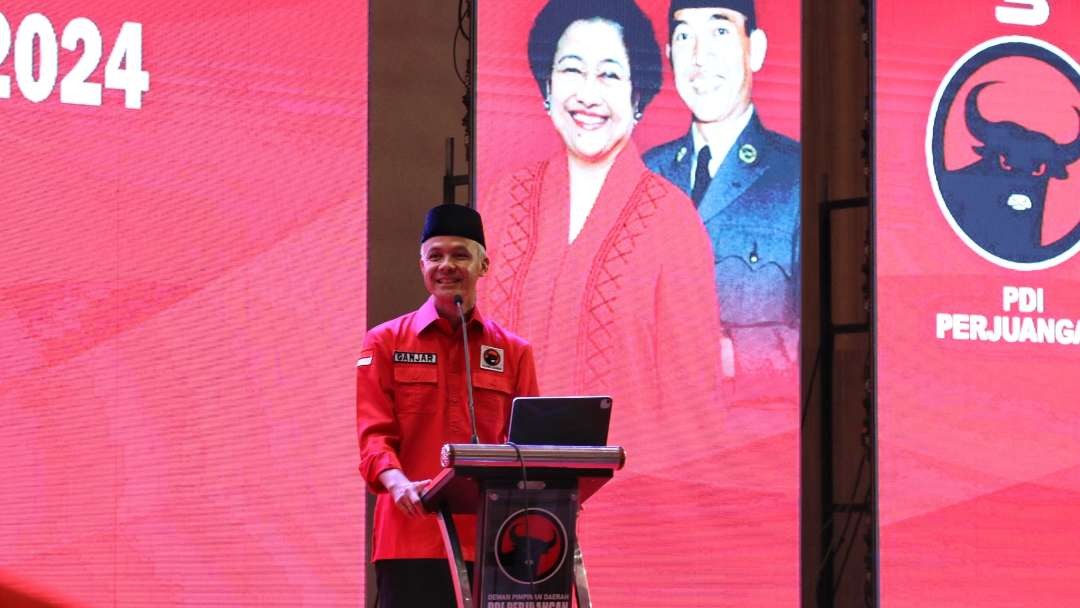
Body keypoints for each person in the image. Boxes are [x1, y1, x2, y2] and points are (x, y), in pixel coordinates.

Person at [479, 0, 724, 474]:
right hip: (503, 492)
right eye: (572, 70)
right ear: (547, 86)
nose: (588, 94)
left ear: (638, 97)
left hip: (629, 503)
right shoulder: (504, 199)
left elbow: (694, 406)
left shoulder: (672, 219)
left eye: (610, 75)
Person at [356, 203, 539, 608]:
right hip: (409, 538)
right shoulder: (385, 342)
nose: (446, 266)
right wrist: (397, 482)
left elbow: (531, 446)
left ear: (484, 264)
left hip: (492, 542)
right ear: (421, 264)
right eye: (435, 255)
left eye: (460, 254)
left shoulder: (514, 351)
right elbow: (373, 439)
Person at [644, 0, 801, 385]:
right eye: (684, 36)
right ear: (668, 55)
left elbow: (830, 333)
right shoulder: (646, 173)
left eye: (720, 31)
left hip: (758, 431)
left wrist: (733, 357)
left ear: (757, 49)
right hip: (653, 425)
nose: (700, 57)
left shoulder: (799, 174)